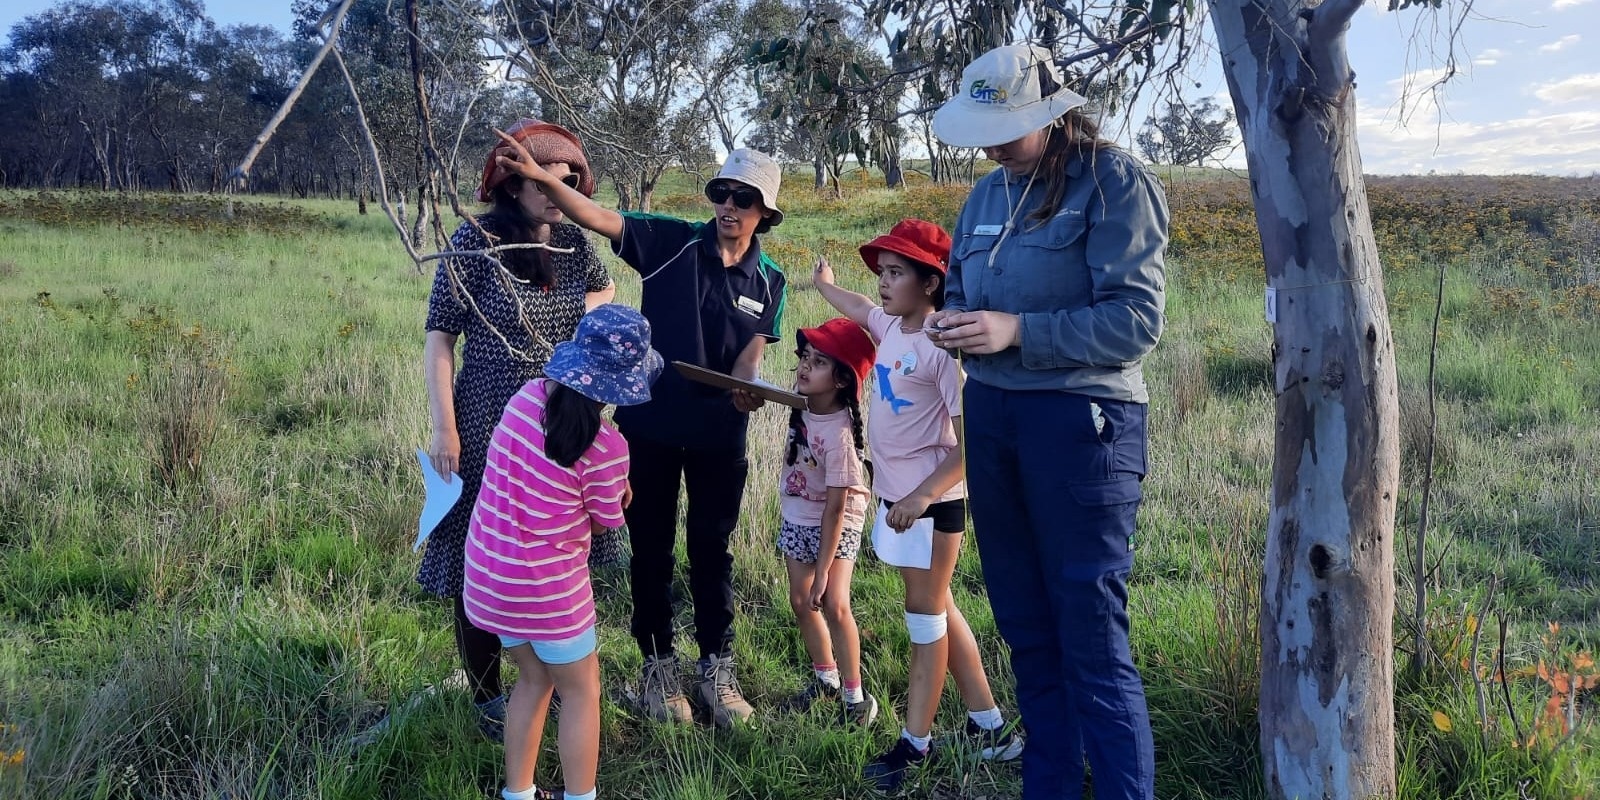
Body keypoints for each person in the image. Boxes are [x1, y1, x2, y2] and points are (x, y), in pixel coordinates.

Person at [924, 44, 1169, 800]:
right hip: (993, 416)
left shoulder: (1114, 182)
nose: (993, 145)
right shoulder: (984, 196)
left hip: (1081, 423)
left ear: (1052, 116)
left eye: (1008, 127)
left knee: (1090, 633)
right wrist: (953, 321)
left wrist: (1019, 331)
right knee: (1025, 624)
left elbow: (1136, 319)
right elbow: (963, 284)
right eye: (983, 130)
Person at [490, 136, 788, 728]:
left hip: (718, 438)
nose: (730, 206)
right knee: (650, 552)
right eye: (724, 193)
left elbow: (752, 355)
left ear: (764, 214)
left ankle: (716, 670)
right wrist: (544, 179)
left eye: (745, 198)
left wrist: (746, 388)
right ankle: (658, 670)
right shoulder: (671, 241)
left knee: (712, 551)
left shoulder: (771, 281)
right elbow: (596, 216)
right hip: (647, 430)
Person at [421, 119, 620, 741]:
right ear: (512, 181)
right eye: (549, 179)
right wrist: (444, 428)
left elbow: (605, 290)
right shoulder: (474, 241)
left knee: (557, 554)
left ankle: (548, 684)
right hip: (485, 422)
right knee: (478, 558)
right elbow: (439, 339)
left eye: (571, 180)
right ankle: (486, 694)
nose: (559, 190)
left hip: (560, 419)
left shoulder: (573, 245)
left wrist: (579, 343)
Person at [811, 220, 1022, 792]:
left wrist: (923, 493)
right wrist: (826, 285)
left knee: (924, 623)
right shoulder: (891, 326)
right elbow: (857, 306)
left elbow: (972, 442)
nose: (882, 283)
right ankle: (991, 728)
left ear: (931, 284)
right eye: (882, 272)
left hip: (930, 508)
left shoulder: (940, 345)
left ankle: (915, 743)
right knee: (940, 609)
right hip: (898, 502)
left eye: (897, 273)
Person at [463, 303, 663, 800]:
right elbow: (604, 523)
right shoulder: (608, 446)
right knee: (581, 692)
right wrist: (621, 495)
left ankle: (519, 792)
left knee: (531, 682)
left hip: (493, 580)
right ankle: (581, 796)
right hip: (551, 592)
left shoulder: (522, 400)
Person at [773, 317, 877, 727]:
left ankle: (855, 697)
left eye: (818, 363)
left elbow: (836, 509)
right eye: (805, 357)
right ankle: (825, 678)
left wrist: (822, 571)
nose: (804, 366)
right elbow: (759, 391)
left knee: (833, 601)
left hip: (837, 520)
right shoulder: (801, 405)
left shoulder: (839, 436)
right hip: (799, 512)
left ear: (841, 381)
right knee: (801, 601)